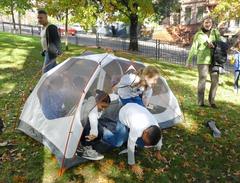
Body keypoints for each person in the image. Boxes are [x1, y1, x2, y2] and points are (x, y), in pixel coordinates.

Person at [186, 16, 221, 108]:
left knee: (215, 81)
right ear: (203, 23)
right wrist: (189, 60)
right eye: (206, 22)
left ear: (212, 24)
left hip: (214, 60)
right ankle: (200, 102)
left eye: (209, 22)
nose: (208, 24)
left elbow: (221, 44)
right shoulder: (198, 34)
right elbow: (194, 48)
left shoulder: (215, 32)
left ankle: (212, 101)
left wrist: (216, 45)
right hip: (202, 61)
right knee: (202, 80)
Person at [118, 103, 162, 170]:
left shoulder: (155, 126)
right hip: (123, 113)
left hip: (134, 107)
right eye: (146, 141)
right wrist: (132, 164)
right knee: (118, 141)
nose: (146, 144)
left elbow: (159, 138)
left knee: (145, 144)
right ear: (146, 132)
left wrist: (158, 152)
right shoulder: (137, 128)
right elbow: (130, 145)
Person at [78, 90, 111, 160]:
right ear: (98, 101)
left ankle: (89, 144)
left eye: (105, 108)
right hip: (79, 126)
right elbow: (93, 117)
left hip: (83, 123)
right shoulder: (92, 106)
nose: (103, 109)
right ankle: (84, 147)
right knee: (93, 128)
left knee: (100, 130)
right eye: (102, 106)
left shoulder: (94, 101)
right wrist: (94, 131)